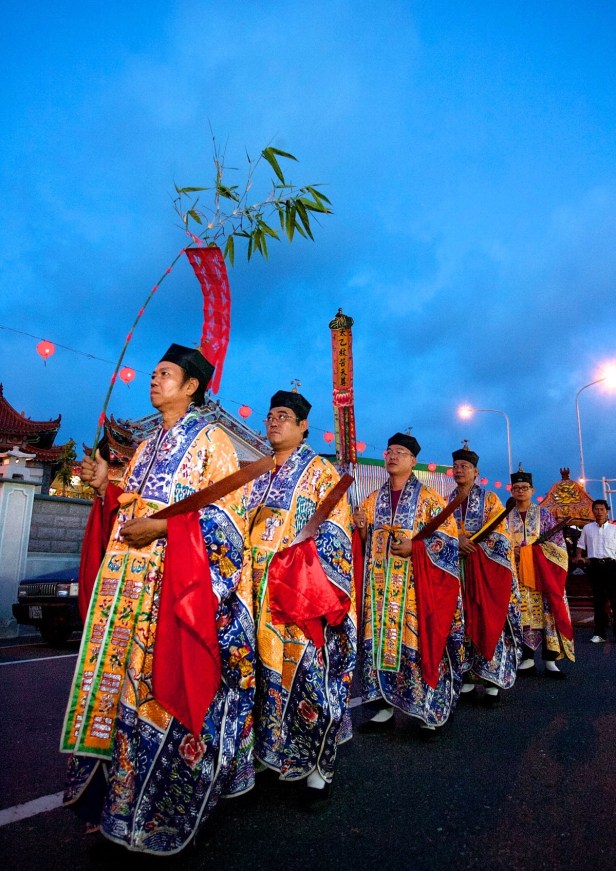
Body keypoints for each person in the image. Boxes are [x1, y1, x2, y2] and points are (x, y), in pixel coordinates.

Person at [60, 344, 255, 855]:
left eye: (164, 374)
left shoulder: (215, 442)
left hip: (172, 590)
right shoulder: (147, 446)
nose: (154, 380)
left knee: (157, 699)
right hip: (125, 592)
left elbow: (228, 520)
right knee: (120, 698)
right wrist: (110, 488)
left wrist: (163, 525)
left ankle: (161, 810)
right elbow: (132, 505)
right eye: (153, 373)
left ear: (191, 386)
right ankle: (119, 807)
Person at [247, 389, 356, 807]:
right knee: (259, 679)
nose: (274, 421)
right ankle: (270, 754)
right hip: (256, 596)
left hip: (300, 596)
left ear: (304, 425)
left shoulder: (320, 474)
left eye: (285, 416)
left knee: (308, 678)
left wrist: (300, 573)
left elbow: (337, 533)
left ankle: (316, 766)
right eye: (271, 414)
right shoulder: (257, 471)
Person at [353, 433, 463, 736]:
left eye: (399, 452)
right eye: (389, 451)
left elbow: (447, 542)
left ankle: (429, 708)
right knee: (379, 645)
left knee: (419, 644)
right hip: (379, 589)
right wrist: (361, 530)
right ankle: (383, 706)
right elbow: (363, 544)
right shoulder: (373, 499)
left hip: (415, 589)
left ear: (413, 461)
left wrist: (416, 549)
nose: (391, 456)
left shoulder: (430, 499)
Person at [448, 445, 521, 704]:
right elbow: (440, 531)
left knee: (489, 620)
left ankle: (491, 681)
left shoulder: (490, 500)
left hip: (485, 570)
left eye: (464, 467)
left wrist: (476, 548)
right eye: (456, 466)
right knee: (461, 623)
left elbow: (501, 534)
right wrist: (456, 540)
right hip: (457, 571)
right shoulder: (446, 500)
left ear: (476, 472)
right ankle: (467, 677)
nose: (459, 470)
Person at [507, 467, 574, 677]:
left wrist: (530, 552)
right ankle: (526, 657)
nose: (520, 491)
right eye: (516, 488)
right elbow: (499, 543)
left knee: (548, 613)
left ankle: (550, 659)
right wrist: (511, 551)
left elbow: (558, 546)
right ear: (511, 491)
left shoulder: (544, 514)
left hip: (542, 574)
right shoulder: (506, 517)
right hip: (516, 575)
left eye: (524, 487)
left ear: (532, 490)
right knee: (522, 614)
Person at [575, 499, 616, 642]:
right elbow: (580, 545)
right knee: (598, 601)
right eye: (596, 509)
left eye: (602, 509)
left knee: (614, 599)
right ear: (592, 511)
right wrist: (579, 556)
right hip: (595, 567)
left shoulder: (614, 529)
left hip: (612, 567)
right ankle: (599, 633)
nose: (599, 512)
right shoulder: (587, 528)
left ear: (607, 511)